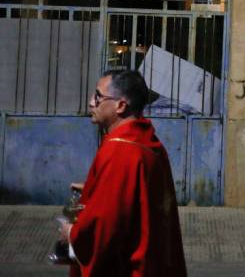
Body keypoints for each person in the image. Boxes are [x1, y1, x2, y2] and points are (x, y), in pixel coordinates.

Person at [58, 69, 186, 277]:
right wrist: (95, 188)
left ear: (120, 105)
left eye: (98, 96)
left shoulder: (120, 150)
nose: (92, 102)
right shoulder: (146, 141)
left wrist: (72, 234)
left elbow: (106, 225)